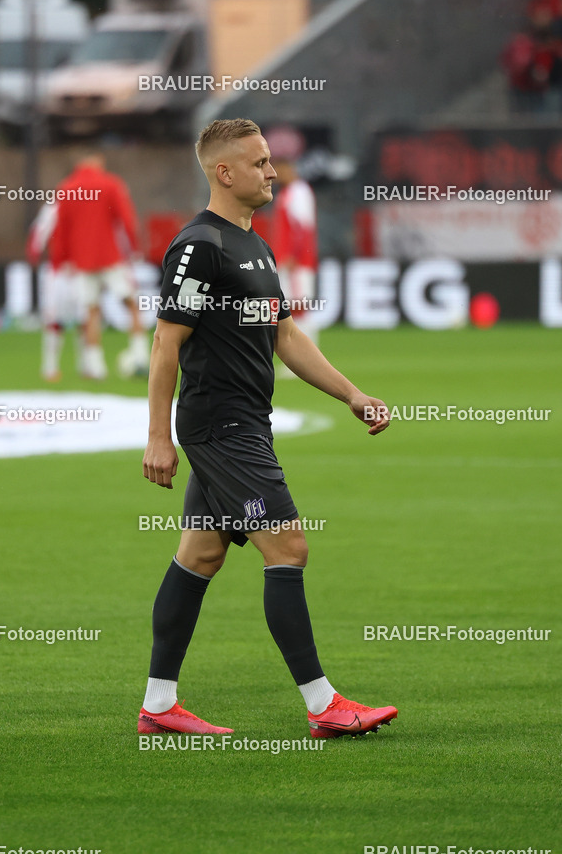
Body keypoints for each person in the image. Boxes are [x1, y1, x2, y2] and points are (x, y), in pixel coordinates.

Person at [139, 118, 397, 737]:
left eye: (270, 161)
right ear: (224, 172)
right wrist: (157, 436)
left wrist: (352, 395)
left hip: (245, 423)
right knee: (287, 547)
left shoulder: (254, 244)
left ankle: (158, 706)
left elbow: (283, 335)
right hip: (221, 427)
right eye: (259, 163)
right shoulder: (200, 246)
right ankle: (324, 706)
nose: (272, 172)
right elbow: (164, 343)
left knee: (199, 555)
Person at [52, 152, 149, 379]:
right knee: (131, 305)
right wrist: (135, 248)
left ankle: (96, 367)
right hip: (110, 257)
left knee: (91, 312)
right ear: (98, 164)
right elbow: (127, 218)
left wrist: (61, 260)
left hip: (82, 261)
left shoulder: (66, 188)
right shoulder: (111, 184)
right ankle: (140, 355)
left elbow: (61, 230)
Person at [26, 201, 81, 382]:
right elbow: (39, 231)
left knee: (86, 319)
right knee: (55, 320)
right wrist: (34, 251)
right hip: (58, 273)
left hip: (83, 271)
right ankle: (50, 367)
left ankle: (88, 366)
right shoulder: (54, 207)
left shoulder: (91, 206)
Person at [268, 156, 319, 350]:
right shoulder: (288, 192)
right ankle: (299, 356)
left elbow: (302, 228)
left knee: (297, 308)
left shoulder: (298, 191)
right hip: (288, 260)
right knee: (290, 308)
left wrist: (292, 255)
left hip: (297, 262)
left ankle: (307, 355)